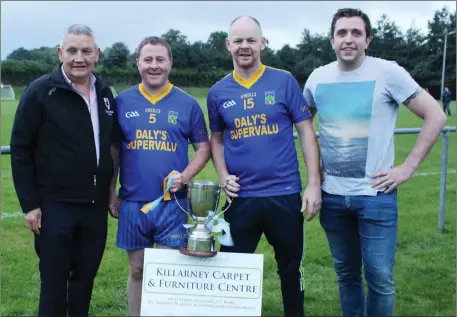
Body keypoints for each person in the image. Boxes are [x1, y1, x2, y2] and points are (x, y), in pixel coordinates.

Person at [303, 8, 447, 316]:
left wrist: (407, 168)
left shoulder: (388, 72)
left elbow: (436, 115)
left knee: (380, 278)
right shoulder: (317, 78)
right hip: (333, 196)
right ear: (331, 39)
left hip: (377, 196)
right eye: (342, 33)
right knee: (346, 274)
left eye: (356, 33)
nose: (348, 39)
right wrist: (314, 180)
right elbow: (303, 128)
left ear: (368, 40)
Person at [207, 16, 322, 317]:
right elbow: (216, 140)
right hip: (239, 198)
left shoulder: (284, 81)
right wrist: (222, 175)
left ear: (263, 43)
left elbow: (307, 132)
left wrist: (313, 183)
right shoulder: (218, 92)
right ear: (228, 45)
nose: (245, 46)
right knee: (230, 269)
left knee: (289, 267)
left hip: (283, 194)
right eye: (238, 41)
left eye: (251, 40)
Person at [10, 24, 119, 316]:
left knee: (84, 283)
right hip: (54, 206)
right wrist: (30, 205)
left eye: (86, 51)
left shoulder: (106, 94)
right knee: (54, 286)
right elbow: (20, 150)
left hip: (94, 208)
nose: (79, 57)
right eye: (72, 50)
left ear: (97, 54)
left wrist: (110, 189)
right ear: (61, 53)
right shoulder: (40, 92)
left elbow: (110, 146)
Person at [109, 36, 211, 316]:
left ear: (170, 63)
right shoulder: (122, 101)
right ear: (138, 63)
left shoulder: (188, 103)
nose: (154, 65)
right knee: (138, 269)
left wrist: (186, 176)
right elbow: (114, 150)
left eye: (160, 59)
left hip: (172, 202)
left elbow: (204, 148)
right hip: (132, 203)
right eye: (148, 59)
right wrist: (111, 191)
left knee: (167, 272)